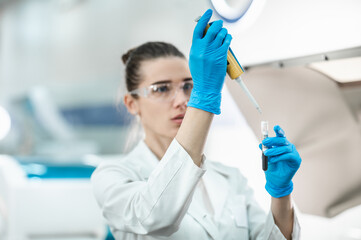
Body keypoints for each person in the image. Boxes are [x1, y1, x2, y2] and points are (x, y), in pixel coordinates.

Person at [91, 9, 301, 240]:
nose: (182, 100)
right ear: (132, 104)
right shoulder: (113, 176)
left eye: (188, 86)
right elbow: (155, 218)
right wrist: (205, 96)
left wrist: (281, 195)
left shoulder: (230, 178)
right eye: (161, 88)